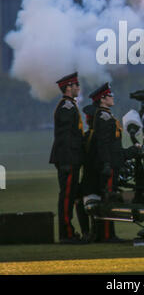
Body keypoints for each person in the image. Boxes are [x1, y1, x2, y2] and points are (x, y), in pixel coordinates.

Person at [82, 83, 140, 242]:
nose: (112, 97)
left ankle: (106, 234)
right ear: (102, 99)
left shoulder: (106, 115)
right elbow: (104, 144)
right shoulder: (103, 117)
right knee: (108, 199)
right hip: (109, 165)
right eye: (110, 95)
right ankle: (107, 235)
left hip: (112, 162)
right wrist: (107, 164)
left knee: (109, 197)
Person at [49, 72, 85, 244]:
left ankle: (68, 231)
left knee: (70, 195)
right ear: (68, 87)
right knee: (67, 196)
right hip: (68, 158)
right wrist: (67, 160)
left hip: (70, 157)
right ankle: (66, 233)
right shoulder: (67, 107)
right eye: (75, 85)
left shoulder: (70, 105)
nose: (78, 88)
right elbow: (65, 137)